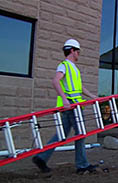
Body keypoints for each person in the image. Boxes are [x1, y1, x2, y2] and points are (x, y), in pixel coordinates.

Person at [32, 39, 98, 174]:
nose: (79, 54)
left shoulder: (74, 68)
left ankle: (41, 157)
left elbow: (79, 87)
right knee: (81, 134)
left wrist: (92, 96)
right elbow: (55, 81)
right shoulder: (64, 65)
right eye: (78, 51)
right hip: (71, 106)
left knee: (61, 135)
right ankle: (82, 165)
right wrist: (64, 99)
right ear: (72, 50)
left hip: (72, 106)